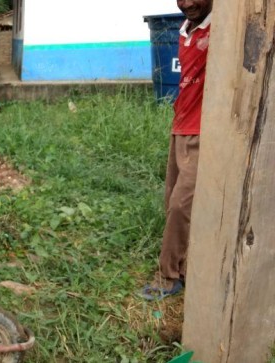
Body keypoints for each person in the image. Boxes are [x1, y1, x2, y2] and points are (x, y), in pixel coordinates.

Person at [140, 0, 212, 300]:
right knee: (172, 200)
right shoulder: (185, 31)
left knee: (182, 205)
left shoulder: (220, 31)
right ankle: (183, 268)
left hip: (203, 131)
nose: (187, 3)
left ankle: (168, 275)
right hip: (180, 127)